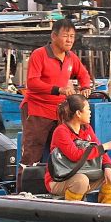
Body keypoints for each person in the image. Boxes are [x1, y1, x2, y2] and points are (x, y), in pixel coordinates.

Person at [21, 19, 93, 165]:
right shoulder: (39, 54)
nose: (69, 40)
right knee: (32, 153)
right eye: (66, 35)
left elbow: (84, 74)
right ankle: (24, 187)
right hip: (37, 110)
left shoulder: (71, 57)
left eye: (72, 36)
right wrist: (58, 90)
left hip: (60, 112)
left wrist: (85, 87)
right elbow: (32, 82)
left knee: (61, 153)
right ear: (54, 36)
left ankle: (54, 185)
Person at [45, 94, 111, 203]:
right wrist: (105, 147)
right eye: (88, 109)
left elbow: (99, 149)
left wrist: (107, 166)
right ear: (78, 113)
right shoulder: (61, 131)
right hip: (59, 179)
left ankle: (107, 208)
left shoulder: (86, 128)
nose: (90, 112)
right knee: (81, 180)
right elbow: (75, 155)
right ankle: (73, 213)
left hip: (85, 172)